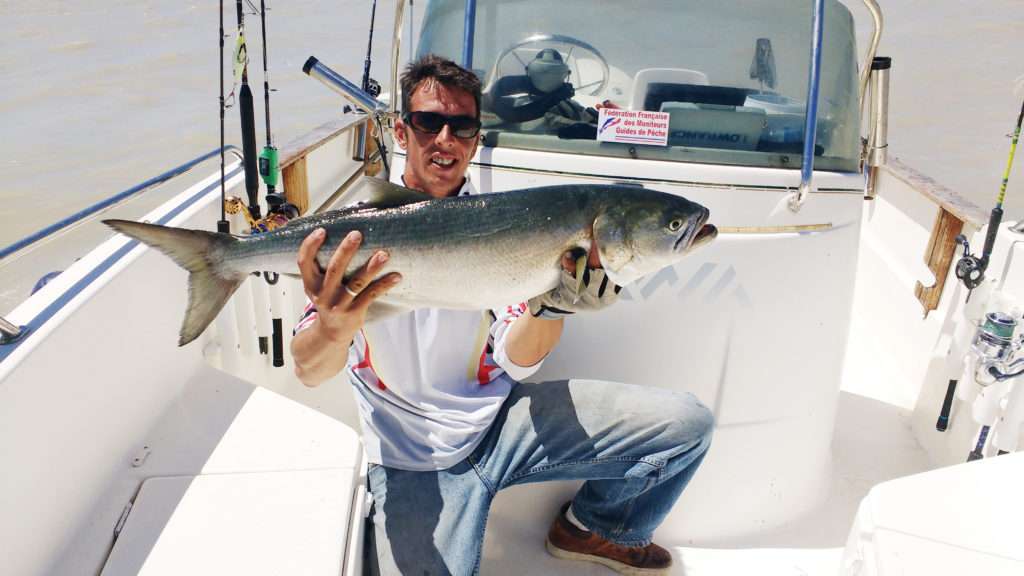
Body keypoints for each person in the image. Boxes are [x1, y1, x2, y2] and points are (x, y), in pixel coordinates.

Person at [291, 54, 713, 576]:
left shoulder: (509, 228)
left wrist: (552, 304)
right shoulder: (360, 234)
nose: (444, 138)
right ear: (402, 130)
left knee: (686, 425)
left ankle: (596, 530)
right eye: (428, 122)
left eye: (462, 126)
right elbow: (309, 370)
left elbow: (517, 359)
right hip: (408, 457)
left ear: (475, 140)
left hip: (500, 427)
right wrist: (335, 328)